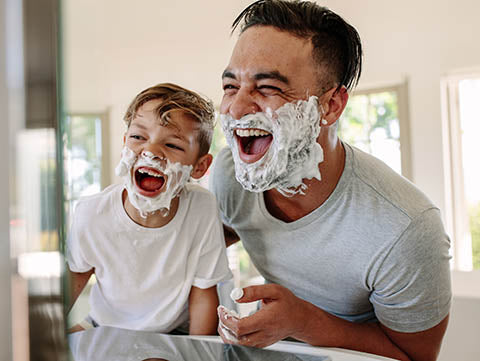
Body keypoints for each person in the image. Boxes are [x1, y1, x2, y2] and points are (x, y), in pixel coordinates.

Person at [209, 1, 451, 360]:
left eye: (268, 88)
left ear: (331, 106)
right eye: (231, 86)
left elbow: (416, 356)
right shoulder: (232, 174)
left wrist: (304, 322)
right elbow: (203, 241)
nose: (235, 108)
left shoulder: (406, 228)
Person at [66, 83, 232, 335]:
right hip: (104, 326)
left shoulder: (201, 208)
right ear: (124, 144)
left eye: (173, 145)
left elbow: (203, 295)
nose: (151, 151)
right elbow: (69, 286)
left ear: (199, 167)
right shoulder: (92, 214)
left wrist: (199, 351)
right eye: (138, 137)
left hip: (174, 332)